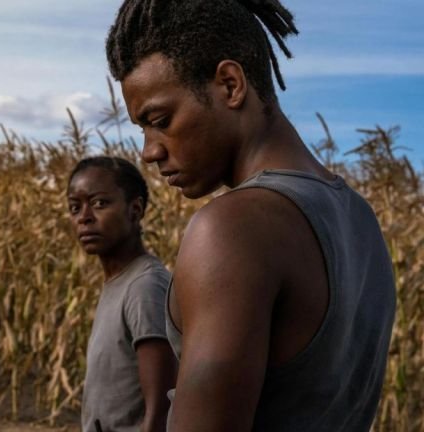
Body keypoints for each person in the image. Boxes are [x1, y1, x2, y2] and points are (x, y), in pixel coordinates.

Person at [104, 1, 396, 431]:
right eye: (142, 129)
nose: (149, 151)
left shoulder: (233, 228)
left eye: (161, 120)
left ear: (230, 84)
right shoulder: (359, 217)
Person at [68, 156, 177, 432]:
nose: (84, 217)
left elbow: (161, 410)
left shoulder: (144, 286)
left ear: (135, 209)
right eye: (75, 207)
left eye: (99, 203)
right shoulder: (120, 282)